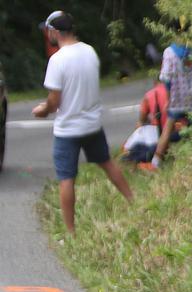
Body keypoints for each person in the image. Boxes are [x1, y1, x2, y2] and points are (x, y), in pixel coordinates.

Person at [32, 11, 133, 235]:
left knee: (66, 178)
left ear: (55, 31)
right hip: (92, 124)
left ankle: (71, 231)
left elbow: (55, 100)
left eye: (48, 30)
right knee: (107, 163)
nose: (47, 34)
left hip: (68, 128)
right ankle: (133, 203)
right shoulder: (90, 52)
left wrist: (44, 110)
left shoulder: (57, 60)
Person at [151, 18, 192, 169]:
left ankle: (156, 163)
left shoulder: (170, 52)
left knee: (167, 129)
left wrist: (168, 97)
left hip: (178, 98)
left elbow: (165, 77)